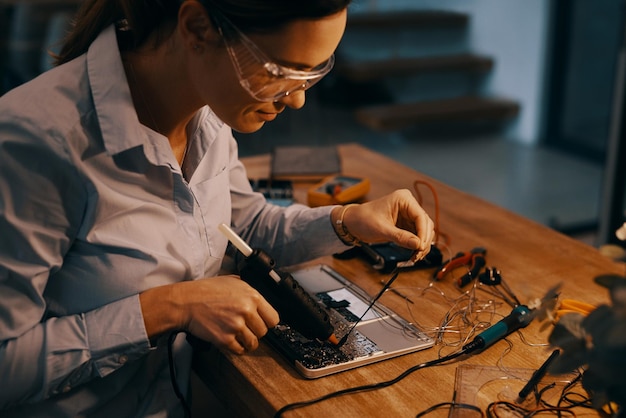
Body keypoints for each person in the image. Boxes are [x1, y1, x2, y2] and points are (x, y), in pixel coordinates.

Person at [0, 0, 435, 416]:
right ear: (197, 28)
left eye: (313, 74)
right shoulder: (36, 144)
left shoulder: (207, 112)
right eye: (281, 71)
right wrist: (169, 308)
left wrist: (346, 222)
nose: (298, 99)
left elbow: (242, 227)